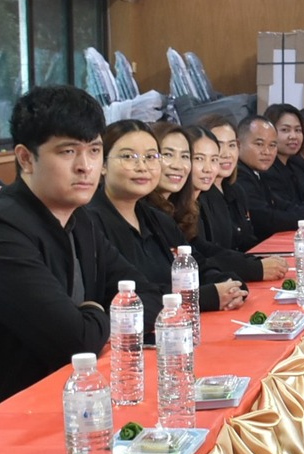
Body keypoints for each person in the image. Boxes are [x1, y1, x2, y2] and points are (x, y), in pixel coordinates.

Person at [0, 86, 137, 426]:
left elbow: (138, 291)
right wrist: (101, 310)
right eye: (68, 151)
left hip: (60, 399)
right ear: (25, 158)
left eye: (94, 151)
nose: (85, 166)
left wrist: (93, 313)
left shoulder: (81, 218)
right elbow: (76, 342)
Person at [89, 121, 246, 312]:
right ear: (103, 164)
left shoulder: (158, 219)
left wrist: (230, 285)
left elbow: (197, 266)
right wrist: (206, 297)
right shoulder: (91, 223)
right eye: (128, 156)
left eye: (150, 157)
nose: (142, 167)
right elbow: (130, 297)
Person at [188, 124, 288, 284]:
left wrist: (262, 260)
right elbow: (202, 254)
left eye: (232, 145)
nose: (226, 154)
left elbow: (243, 241)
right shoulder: (199, 197)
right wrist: (254, 267)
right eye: (199, 158)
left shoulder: (234, 189)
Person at [234, 114, 304, 235]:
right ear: (238, 145)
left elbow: (279, 203)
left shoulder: (258, 172)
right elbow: (264, 218)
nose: (267, 152)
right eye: (259, 144)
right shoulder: (239, 175)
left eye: (272, 145)